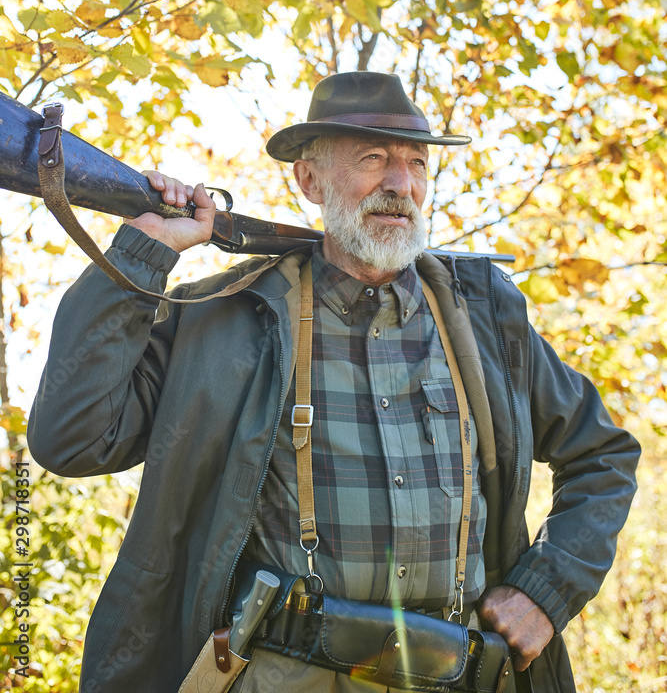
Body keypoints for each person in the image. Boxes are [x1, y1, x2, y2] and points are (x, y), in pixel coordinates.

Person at [28, 72, 639, 693]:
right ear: (310, 180)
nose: (400, 185)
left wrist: (545, 591)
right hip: (282, 675)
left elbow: (604, 456)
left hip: (460, 672)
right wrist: (143, 250)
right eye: (374, 159)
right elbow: (72, 439)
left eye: (416, 163)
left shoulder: (483, 319)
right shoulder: (223, 319)